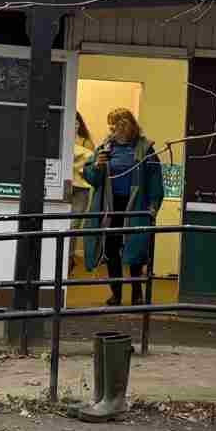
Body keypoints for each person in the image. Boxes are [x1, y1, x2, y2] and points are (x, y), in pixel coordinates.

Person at [81, 108, 164, 307]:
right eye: (111, 126)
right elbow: (92, 179)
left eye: (117, 125)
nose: (113, 130)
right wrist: (97, 166)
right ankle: (116, 294)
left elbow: (155, 180)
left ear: (129, 126)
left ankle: (137, 293)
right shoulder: (104, 148)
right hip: (110, 205)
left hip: (136, 205)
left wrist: (153, 206)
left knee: (136, 249)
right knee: (111, 249)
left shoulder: (145, 149)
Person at [67, 113, 97, 276]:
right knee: (59, 225)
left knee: (73, 225)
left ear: (80, 124)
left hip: (81, 189)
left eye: (76, 122)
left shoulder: (87, 143)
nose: (74, 125)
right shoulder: (60, 139)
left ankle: (68, 260)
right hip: (63, 188)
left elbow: (91, 166)